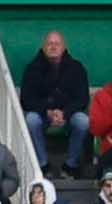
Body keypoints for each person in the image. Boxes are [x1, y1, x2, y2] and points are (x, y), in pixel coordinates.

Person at [21, 32, 93, 179]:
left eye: (57, 43)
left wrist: (64, 113)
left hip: (69, 115)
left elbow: (82, 99)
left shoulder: (76, 68)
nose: (53, 46)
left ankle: (71, 166)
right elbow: (27, 99)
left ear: (64, 47)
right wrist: (46, 111)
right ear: (43, 47)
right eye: (49, 43)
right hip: (43, 115)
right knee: (31, 120)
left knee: (83, 121)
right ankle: (42, 165)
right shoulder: (32, 69)